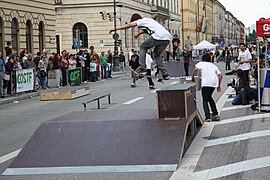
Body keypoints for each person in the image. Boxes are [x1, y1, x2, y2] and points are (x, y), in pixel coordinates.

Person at [109, 13, 171, 80]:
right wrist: (138, 34)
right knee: (156, 54)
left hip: (159, 35)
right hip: (167, 37)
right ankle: (165, 73)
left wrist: (116, 29)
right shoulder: (147, 20)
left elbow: (129, 25)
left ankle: (143, 68)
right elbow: (146, 30)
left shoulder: (139, 21)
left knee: (143, 46)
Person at [192, 53, 222, 122]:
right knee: (209, 97)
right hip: (214, 83)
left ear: (202, 59)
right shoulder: (213, 65)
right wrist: (218, 85)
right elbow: (220, 75)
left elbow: (195, 69)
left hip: (206, 83)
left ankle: (207, 116)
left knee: (205, 99)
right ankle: (215, 113)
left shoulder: (201, 63)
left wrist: (192, 77)